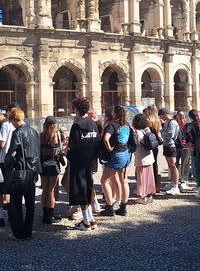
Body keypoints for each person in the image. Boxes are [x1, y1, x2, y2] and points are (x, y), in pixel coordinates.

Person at [5, 107, 41, 240]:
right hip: (32, 172)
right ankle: (28, 231)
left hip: (20, 172)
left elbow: (11, 152)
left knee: (16, 204)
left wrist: (7, 164)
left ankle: (18, 232)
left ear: (14, 119)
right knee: (30, 204)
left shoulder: (18, 133)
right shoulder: (34, 131)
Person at [66, 97, 99, 231]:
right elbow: (98, 142)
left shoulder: (77, 125)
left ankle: (85, 221)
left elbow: (72, 146)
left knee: (81, 191)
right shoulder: (92, 123)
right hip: (90, 161)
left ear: (77, 109)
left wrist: (68, 155)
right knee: (88, 189)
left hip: (78, 163)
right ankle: (91, 219)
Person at [99, 105, 131, 216]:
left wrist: (109, 148)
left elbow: (106, 138)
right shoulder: (126, 125)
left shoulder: (111, 125)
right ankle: (123, 207)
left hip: (116, 154)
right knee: (124, 181)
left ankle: (109, 208)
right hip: (126, 153)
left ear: (114, 114)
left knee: (104, 181)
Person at [0, 106, 15, 227]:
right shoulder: (14, 124)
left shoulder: (3, 125)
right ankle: (12, 214)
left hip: (3, 159)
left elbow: (1, 143)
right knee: (10, 188)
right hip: (13, 160)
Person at [39, 116, 63, 224]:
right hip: (53, 165)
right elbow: (58, 151)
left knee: (45, 189)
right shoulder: (56, 135)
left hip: (43, 164)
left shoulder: (40, 136)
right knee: (51, 190)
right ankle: (51, 213)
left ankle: (44, 215)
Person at [132, 114, 156, 204]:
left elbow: (136, 144)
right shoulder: (147, 130)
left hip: (141, 157)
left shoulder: (137, 132)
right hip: (149, 156)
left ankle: (142, 196)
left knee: (141, 177)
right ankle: (149, 195)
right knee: (149, 177)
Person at [159, 108, 181, 195]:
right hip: (166, 145)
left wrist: (161, 132)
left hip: (171, 145)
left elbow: (169, 135)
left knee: (173, 165)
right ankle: (172, 182)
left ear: (164, 114)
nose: (161, 118)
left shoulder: (172, 122)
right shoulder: (167, 122)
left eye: (161, 116)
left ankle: (175, 185)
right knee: (170, 165)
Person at [142, 105, 162, 193]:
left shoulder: (148, 121)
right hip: (155, 145)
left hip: (148, 144)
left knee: (147, 165)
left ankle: (148, 186)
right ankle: (155, 186)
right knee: (155, 164)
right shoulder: (157, 120)